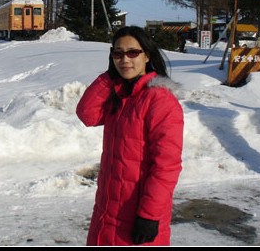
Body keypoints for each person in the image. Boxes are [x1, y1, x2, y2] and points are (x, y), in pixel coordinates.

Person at [76, 26, 184, 246]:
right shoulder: (121, 96)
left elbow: (166, 166)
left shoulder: (160, 101)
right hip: (108, 212)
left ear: (147, 56)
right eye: (118, 54)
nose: (125, 59)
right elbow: (87, 114)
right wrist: (108, 77)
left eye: (132, 53)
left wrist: (149, 215)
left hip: (137, 216)